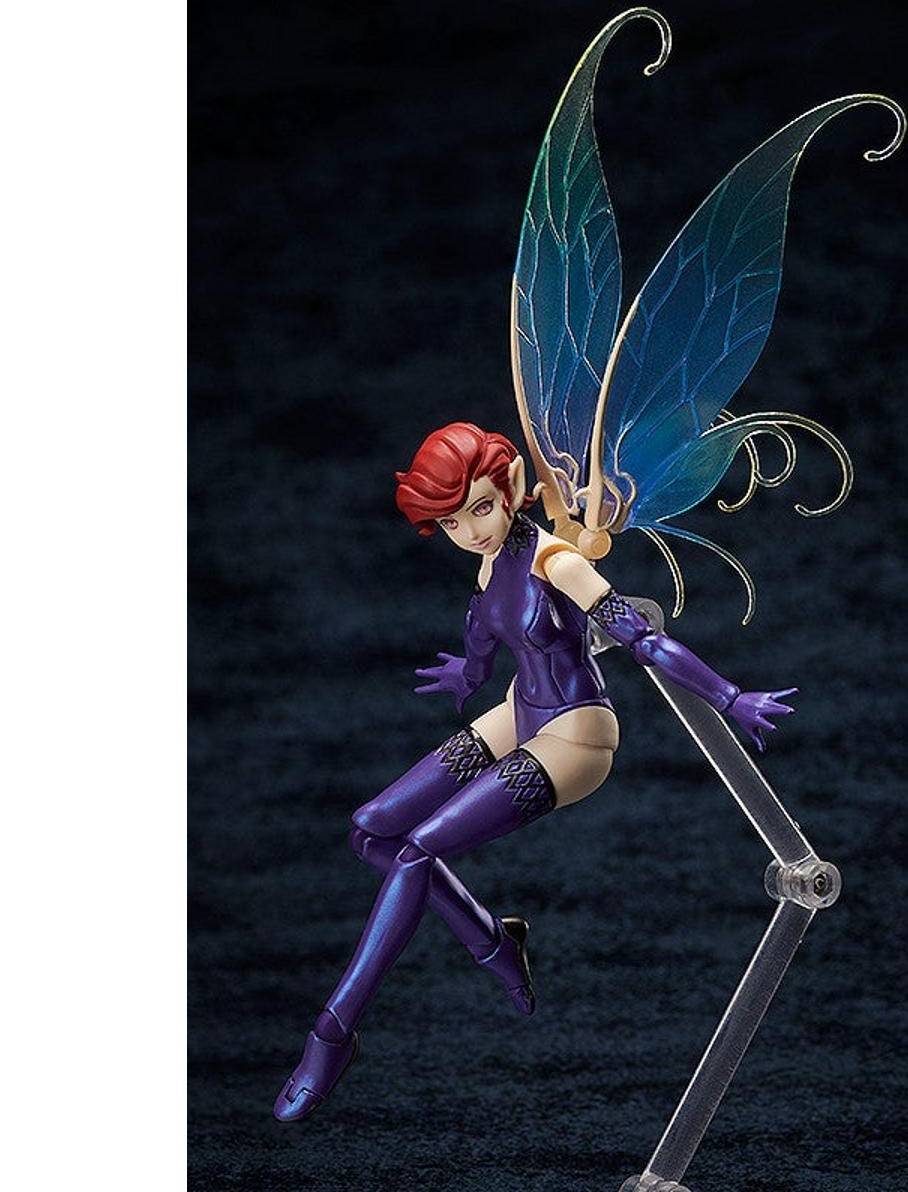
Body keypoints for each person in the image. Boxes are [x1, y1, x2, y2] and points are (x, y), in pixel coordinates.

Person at [272, 421, 797, 1121]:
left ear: (514, 484)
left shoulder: (559, 563)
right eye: (452, 522)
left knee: (417, 851)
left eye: (480, 508)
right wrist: (466, 674)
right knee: (372, 831)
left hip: (576, 734)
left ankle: (332, 1034)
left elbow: (643, 640)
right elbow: (482, 639)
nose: (470, 531)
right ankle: (496, 941)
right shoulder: (489, 563)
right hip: (519, 711)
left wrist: (731, 698)